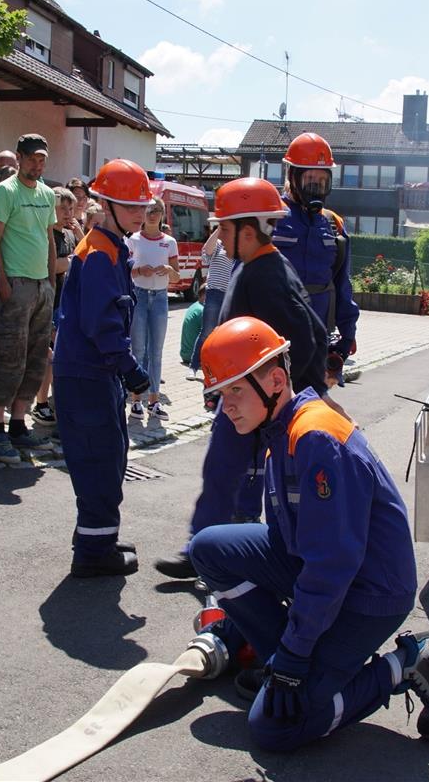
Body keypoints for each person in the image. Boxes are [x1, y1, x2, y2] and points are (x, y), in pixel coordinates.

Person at [188, 316, 429, 750]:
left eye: (236, 390)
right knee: (208, 549)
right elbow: (288, 542)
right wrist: (274, 645)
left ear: (276, 380)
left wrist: (296, 654)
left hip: (369, 593)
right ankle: (289, 664)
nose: (227, 405)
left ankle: (411, 661)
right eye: (221, 394)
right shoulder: (281, 427)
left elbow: (332, 564)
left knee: (275, 728)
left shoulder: (315, 436)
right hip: (323, 571)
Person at [156, 177, 331, 579]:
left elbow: (305, 338)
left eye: (224, 228)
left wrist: (281, 399)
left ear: (247, 232)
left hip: (257, 400)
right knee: (231, 473)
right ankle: (214, 547)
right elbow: (313, 332)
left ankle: (209, 551)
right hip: (249, 395)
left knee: (226, 470)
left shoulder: (264, 274)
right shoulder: (258, 266)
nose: (217, 235)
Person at [52, 158, 152, 578]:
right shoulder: (98, 254)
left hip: (94, 374)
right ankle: (93, 555)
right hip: (87, 375)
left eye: (144, 207)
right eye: (133, 208)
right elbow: (102, 324)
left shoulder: (109, 248)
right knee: (99, 462)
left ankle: (98, 538)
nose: (142, 215)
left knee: (109, 457)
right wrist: (130, 369)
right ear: (107, 206)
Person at [0, 134, 58, 464]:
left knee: (35, 358)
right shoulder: (4, 192)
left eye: (41, 159)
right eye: (31, 158)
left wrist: (51, 279)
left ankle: (18, 423)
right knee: (10, 356)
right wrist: (2, 283)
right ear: (19, 158)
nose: (37, 164)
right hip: (14, 285)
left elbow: (48, 237)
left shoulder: (47, 194)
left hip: (42, 286)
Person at [274, 132, 359, 384]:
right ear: (292, 175)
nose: (316, 186)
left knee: (312, 410)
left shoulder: (333, 224)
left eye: (322, 180)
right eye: (310, 178)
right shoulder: (270, 218)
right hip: (274, 338)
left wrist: (346, 335)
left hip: (318, 339)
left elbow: (343, 285)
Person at [32, 186, 83, 425]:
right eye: (62, 208)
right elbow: (49, 266)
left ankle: (54, 400)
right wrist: (69, 262)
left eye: (71, 208)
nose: (67, 212)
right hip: (48, 303)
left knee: (61, 357)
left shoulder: (70, 234)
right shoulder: (45, 234)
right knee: (49, 358)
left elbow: (84, 255)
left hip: (66, 304)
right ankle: (40, 404)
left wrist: (80, 232)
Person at [126, 196, 179, 420]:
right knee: (138, 350)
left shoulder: (169, 241)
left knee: (156, 352)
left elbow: (176, 276)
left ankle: (154, 400)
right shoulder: (133, 240)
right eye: (149, 210)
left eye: (157, 210)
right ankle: (136, 400)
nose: (153, 213)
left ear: (162, 214)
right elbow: (125, 272)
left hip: (159, 297)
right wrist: (139, 271)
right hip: (138, 295)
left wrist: (167, 268)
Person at [190, 228, 232, 381]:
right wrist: (220, 227)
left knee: (227, 334)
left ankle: (221, 368)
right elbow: (206, 254)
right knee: (207, 331)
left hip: (230, 295)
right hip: (214, 292)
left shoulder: (238, 245)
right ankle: (194, 366)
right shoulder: (219, 244)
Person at [180, 285, 206, 365]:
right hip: (193, 356)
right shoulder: (202, 310)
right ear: (204, 295)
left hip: (185, 354)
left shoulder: (194, 306)